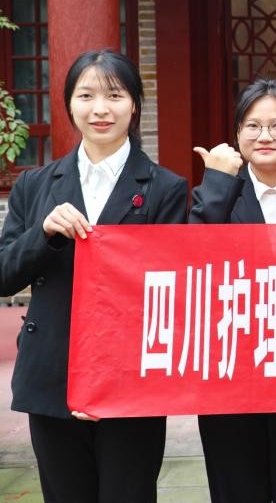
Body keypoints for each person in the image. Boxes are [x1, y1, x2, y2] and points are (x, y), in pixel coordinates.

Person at [0, 50, 188, 502]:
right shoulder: (35, 185)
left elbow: (167, 291)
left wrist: (107, 377)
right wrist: (43, 233)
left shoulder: (166, 188)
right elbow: (4, 274)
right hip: (53, 373)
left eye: (114, 95)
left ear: (134, 105)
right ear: (69, 104)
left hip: (131, 380)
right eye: (86, 96)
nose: (100, 109)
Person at [188, 78, 276, 503]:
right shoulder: (213, 196)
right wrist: (216, 181)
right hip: (231, 377)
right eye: (252, 126)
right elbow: (191, 262)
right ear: (237, 134)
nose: (264, 136)